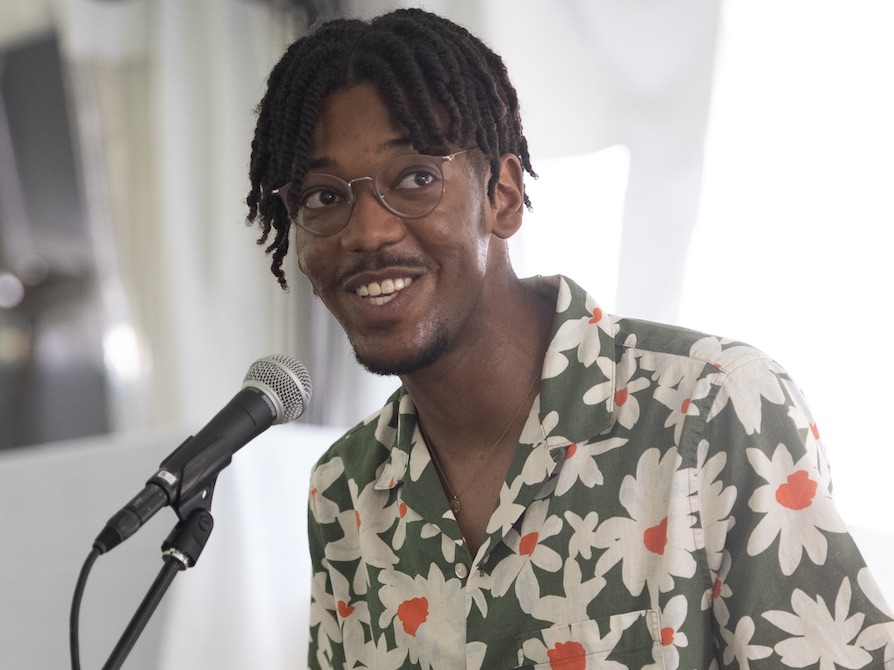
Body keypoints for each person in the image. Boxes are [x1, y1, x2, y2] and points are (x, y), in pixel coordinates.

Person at [246, 8, 894, 669]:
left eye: (414, 178)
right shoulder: (345, 492)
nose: (367, 233)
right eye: (322, 198)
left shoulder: (714, 410)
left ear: (503, 195)